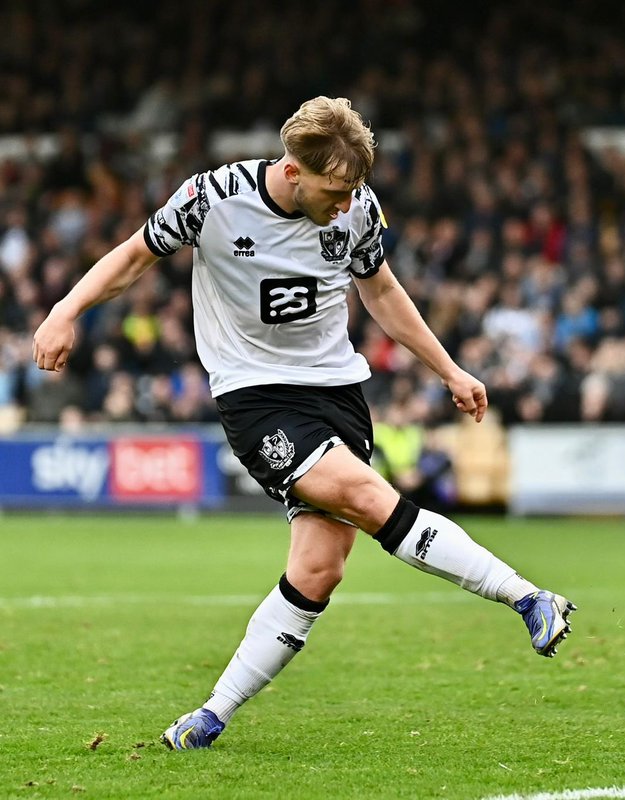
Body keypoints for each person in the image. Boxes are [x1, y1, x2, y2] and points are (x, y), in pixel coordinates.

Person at [32, 97, 576, 749]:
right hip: (257, 396)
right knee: (365, 495)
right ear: (293, 171)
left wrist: (449, 370)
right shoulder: (212, 199)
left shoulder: (359, 207)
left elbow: (382, 291)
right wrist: (65, 311)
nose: (345, 206)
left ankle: (209, 717)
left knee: (319, 569)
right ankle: (526, 597)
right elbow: (130, 259)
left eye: (352, 193)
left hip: (338, 392)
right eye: (334, 192)